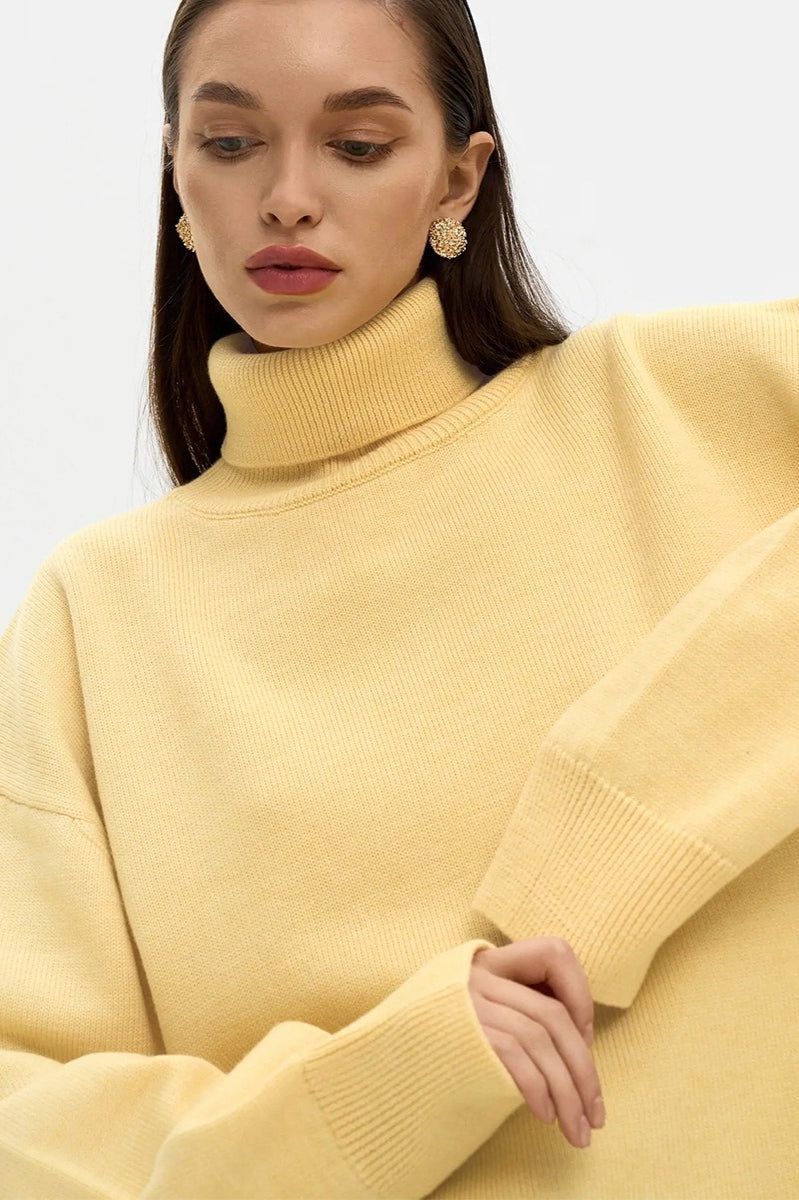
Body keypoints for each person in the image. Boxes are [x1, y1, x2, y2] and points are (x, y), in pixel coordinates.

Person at [1, 0, 797, 1195]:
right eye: (230, 143)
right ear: (176, 173)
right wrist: (395, 1079)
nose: (286, 198)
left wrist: (602, 866)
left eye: (358, 145)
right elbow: (28, 1126)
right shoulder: (95, 617)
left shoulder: (678, 408)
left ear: (457, 181)